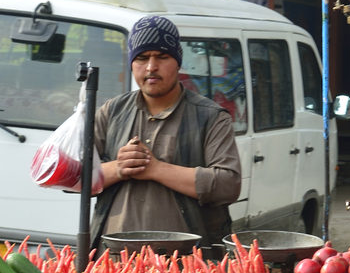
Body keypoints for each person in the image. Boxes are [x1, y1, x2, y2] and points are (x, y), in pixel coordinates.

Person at [91, 15, 241, 244]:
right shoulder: (112, 111)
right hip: (113, 261)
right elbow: (72, 176)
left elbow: (227, 185)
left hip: (186, 263)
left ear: (178, 63)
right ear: (131, 64)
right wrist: (118, 169)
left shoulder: (210, 117)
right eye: (142, 58)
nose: (151, 67)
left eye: (162, 57)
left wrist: (156, 169)